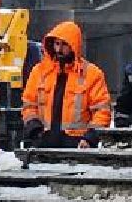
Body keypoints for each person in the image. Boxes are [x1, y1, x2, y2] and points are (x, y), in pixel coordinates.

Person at [18, 20, 112, 150]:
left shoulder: (92, 74)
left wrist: (90, 138)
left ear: (74, 46)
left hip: (77, 146)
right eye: (56, 44)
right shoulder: (39, 72)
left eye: (64, 44)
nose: (59, 49)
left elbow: (102, 111)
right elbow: (29, 104)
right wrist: (34, 128)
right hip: (43, 144)